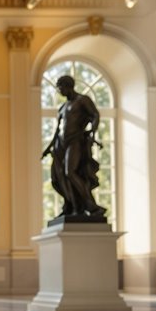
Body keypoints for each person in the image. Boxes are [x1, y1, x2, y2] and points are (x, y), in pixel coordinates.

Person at [41, 75, 107, 221]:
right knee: (58, 177)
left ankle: (92, 207)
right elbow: (58, 131)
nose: (59, 91)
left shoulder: (82, 100)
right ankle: (72, 206)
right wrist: (48, 149)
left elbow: (95, 115)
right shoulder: (63, 108)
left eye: (60, 88)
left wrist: (93, 132)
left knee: (70, 172)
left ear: (67, 86)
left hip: (75, 141)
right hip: (61, 145)